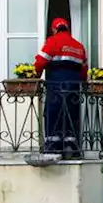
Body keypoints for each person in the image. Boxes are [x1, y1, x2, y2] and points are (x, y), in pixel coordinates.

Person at [34, 18, 88, 159]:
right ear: (67, 28)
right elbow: (84, 69)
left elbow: (40, 62)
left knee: (53, 113)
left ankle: (53, 146)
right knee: (71, 113)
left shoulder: (52, 42)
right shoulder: (79, 46)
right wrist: (82, 82)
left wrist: (36, 76)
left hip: (56, 84)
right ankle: (71, 145)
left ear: (54, 29)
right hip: (74, 86)